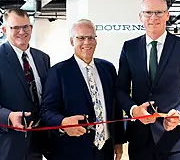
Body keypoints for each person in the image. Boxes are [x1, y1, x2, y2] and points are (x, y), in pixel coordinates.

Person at [115, 0, 180, 160]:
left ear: (167, 15)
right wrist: (134, 110)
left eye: (159, 12)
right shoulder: (129, 48)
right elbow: (120, 89)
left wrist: (179, 112)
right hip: (139, 138)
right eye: (148, 13)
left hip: (172, 138)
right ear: (141, 17)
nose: (153, 17)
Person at [40, 19, 125, 160]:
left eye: (91, 37)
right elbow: (46, 110)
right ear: (72, 41)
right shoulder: (58, 72)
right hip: (71, 151)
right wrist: (63, 123)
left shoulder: (108, 68)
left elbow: (115, 108)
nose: (87, 42)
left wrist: (119, 141)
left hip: (104, 151)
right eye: (81, 38)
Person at [0, 8, 50, 160]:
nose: (22, 32)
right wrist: (8, 116)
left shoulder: (43, 58)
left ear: (31, 28)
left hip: (39, 141)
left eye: (25, 27)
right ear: (4, 29)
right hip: (8, 143)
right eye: (15, 27)